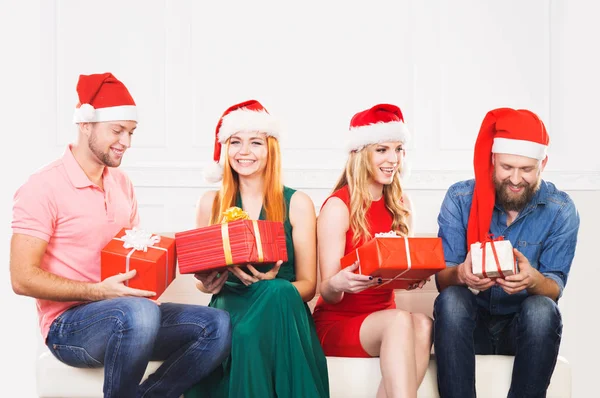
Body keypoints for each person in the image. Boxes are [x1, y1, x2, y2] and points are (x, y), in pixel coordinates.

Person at [10, 73, 232, 398]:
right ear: (86, 124)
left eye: (131, 132)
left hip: (128, 315)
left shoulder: (121, 183)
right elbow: (22, 278)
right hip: (68, 327)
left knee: (217, 325)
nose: (126, 142)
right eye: (117, 130)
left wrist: (197, 269)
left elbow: (135, 257)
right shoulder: (42, 187)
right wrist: (98, 292)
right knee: (139, 312)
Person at [186, 100, 329, 398]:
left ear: (270, 149)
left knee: (275, 292)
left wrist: (272, 283)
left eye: (255, 142)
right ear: (225, 149)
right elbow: (202, 281)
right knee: (244, 328)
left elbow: (308, 286)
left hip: (282, 311)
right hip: (230, 305)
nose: (245, 152)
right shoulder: (209, 203)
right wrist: (208, 284)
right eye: (235, 142)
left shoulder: (297, 203)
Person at [433, 108, 580, 398]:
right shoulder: (460, 199)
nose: (515, 179)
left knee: (542, 309)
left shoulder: (560, 210)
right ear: (492, 160)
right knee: (451, 299)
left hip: (521, 328)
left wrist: (532, 279)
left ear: (543, 164)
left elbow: (554, 287)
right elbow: (441, 279)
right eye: (506, 167)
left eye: (526, 169)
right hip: (470, 324)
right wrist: (462, 274)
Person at [312, 104, 433, 398]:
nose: (393, 159)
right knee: (401, 320)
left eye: (399, 149)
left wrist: (411, 276)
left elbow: (396, 276)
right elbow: (326, 290)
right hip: (338, 322)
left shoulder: (402, 204)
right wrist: (338, 282)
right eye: (382, 150)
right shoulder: (339, 206)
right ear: (361, 153)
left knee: (424, 323)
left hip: (386, 319)